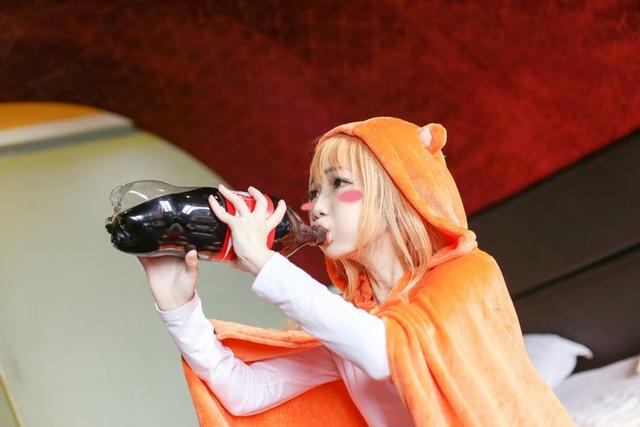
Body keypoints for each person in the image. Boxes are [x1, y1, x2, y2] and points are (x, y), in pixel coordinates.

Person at [138, 117, 576, 426]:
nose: (316, 206)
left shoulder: (469, 275)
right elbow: (244, 393)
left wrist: (267, 265)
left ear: (396, 190)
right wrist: (178, 306)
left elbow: (387, 351)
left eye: (339, 184)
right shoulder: (356, 318)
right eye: (314, 191)